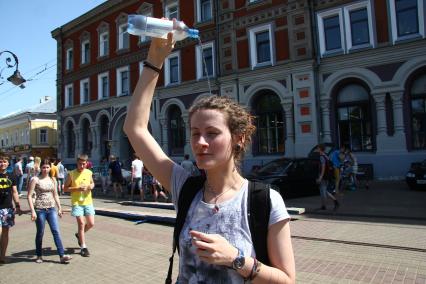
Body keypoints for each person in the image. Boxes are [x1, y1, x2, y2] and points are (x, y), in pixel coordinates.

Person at [123, 33, 295, 283]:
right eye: (195, 134)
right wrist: (154, 61)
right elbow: (135, 128)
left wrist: (236, 259)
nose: (200, 142)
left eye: (212, 133)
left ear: (239, 138)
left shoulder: (264, 201)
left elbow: (287, 280)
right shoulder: (185, 187)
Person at [27, 159, 72, 264]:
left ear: (50, 168)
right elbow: (29, 196)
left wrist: (59, 208)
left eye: (47, 167)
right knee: (40, 232)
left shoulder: (53, 179)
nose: (45, 169)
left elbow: (55, 194)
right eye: (43, 167)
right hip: (39, 209)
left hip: (51, 208)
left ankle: (62, 255)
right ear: (40, 168)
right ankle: (39, 255)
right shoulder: (35, 179)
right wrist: (32, 211)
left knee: (56, 231)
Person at [63, 154, 95, 257]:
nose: (82, 166)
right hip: (77, 202)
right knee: (81, 223)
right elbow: (65, 189)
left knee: (91, 224)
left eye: (84, 164)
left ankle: (78, 235)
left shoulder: (89, 172)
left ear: (86, 164)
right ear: (77, 163)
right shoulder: (71, 174)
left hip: (88, 201)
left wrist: (90, 186)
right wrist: (77, 189)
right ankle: (83, 247)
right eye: (80, 164)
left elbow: (92, 183)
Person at [0, 155, 22, 264]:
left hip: (7, 208)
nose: (2, 164)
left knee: (5, 233)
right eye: (0, 162)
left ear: (8, 163)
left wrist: (17, 205)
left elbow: (14, 192)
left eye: (4, 161)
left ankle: (2, 256)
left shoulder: (12, 176)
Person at [316, 144, 339, 211]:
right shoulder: (326, 156)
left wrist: (320, 177)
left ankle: (334, 203)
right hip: (327, 176)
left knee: (324, 192)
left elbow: (323, 168)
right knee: (324, 191)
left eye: (318, 148)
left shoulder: (321, 157)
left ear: (320, 149)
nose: (317, 149)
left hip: (324, 177)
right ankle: (324, 205)